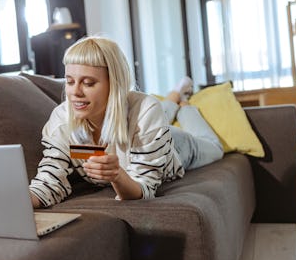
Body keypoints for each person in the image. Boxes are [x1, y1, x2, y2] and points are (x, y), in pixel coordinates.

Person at [29, 36, 223, 208]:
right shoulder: (61, 121)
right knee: (156, 112)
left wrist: (117, 175)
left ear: (114, 84)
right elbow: (49, 182)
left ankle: (185, 105)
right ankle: (175, 94)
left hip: (174, 146)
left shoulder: (146, 111)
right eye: (70, 81)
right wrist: (19, 201)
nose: (75, 92)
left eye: (88, 83)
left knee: (215, 147)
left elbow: (145, 188)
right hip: (145, 127)